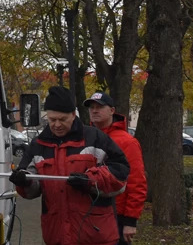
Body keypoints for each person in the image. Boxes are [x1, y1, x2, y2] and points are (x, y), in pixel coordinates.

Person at [11, 86, 130, 245]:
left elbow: (120, 174)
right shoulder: (38, 145)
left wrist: (90, 181)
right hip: (56, 234)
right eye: (52, 120)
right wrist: (25, 182)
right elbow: (33, 189)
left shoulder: (95, 138)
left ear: (73, 115)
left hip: (96, 236)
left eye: (62, 119)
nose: (57, 125)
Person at [85, 92, 147, 244]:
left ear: (112, 111)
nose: (94, 111)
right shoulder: (85, 139)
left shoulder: (127, 142)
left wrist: (130, 221)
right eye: (91, 107)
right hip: (88, 213)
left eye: (99, 107)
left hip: (116, 217)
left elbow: (136, 182)